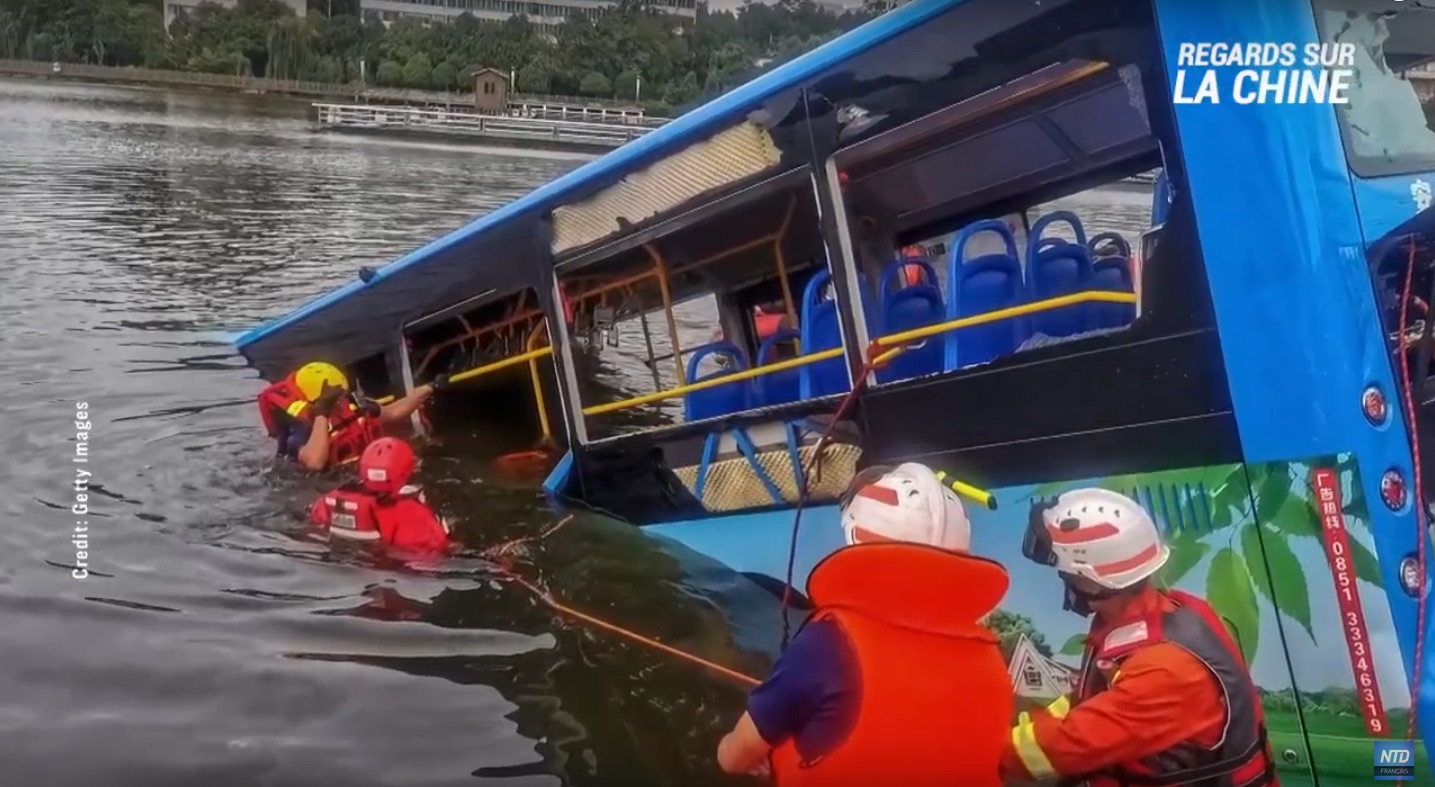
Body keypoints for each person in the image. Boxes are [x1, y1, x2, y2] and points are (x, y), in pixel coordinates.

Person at [716, 463, 1012, 786]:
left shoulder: (828, 643)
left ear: (856, 534)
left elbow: (737, 756)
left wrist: (725, 748)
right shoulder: (990, 657)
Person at [1002, 488, 1279, 787]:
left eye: (1065, 573)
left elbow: (1061, 748)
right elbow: (1090, 703)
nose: (1062, 580)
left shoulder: (1165, 672)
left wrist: (976, 747)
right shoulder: (1160, 613)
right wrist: (1012, 719)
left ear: (1088, 580)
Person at [257, 361, 448, 471]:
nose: (342, 402)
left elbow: (394, 412)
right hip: (330, 485)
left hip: (366, 470)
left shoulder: (353, 405)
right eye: (335, 399)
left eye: (341, 396)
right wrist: (322, 413)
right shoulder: (299, 433)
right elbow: (314, 462)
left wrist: (430, 388)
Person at [308, 437, 452, 554]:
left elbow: (313, 527)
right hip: (384, 568)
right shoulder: (410, 512)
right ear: (407, 470)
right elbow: (430, 554)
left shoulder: (328, 500)